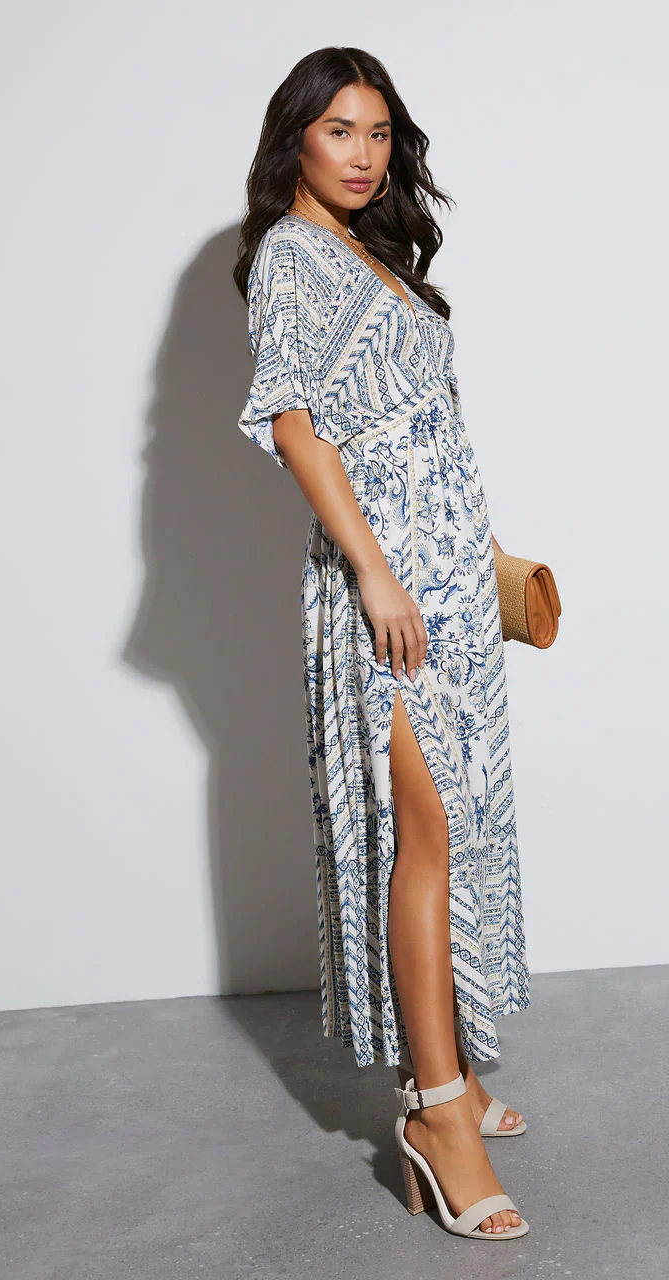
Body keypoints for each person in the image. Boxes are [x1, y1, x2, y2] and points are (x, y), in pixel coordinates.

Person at [233, 46, 531, 1241]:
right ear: (294, 140)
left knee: (457, 824)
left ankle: (444, 1063)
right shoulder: (290, 257)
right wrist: (372, 570)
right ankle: (437, 1118)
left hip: (449, 577)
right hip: (387, 586)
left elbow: (432, 424)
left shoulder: (375, 253)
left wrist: (486, 552)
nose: (363, 155)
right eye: (338, 131)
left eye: (378, 132)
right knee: (427, 830)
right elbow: (294, 423)